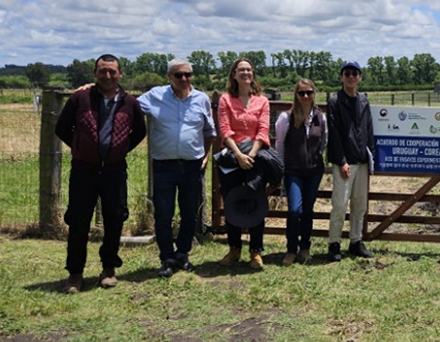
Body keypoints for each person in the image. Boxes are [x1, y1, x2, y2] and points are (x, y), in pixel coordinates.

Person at [55, 54, 146, 293]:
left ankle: (108, 269)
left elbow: (139, 132)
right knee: (78, 221)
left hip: (115, 171)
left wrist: (120, 149)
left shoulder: (130, 103)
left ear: (120, 74)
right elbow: (62, 128)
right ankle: (75, 273)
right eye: (103, 71)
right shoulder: (80, 98)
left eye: (112, 71)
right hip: (84, 170)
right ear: (95, 73)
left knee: (115, 220)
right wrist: (81, 147)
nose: (108, 76)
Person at [138, 58, 217, 278]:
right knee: (163, 213)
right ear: (169, 77)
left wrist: (206, 156)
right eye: (178, 75)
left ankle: (182, 254)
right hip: (164, 165)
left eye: (188, 75)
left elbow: (210, 132)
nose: (184, 79)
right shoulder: (155, 96)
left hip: (192, 166)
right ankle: (166, 257)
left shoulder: (201, 99)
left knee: (190, 213)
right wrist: (92, 88)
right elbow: (127, 104)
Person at [216, 58, 270, 270]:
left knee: (257, 203)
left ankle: (256, 251)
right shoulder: (226, 100)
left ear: (253, 74)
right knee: (232, 202)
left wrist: (252, 155)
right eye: (241, 70)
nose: (245, 73)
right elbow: (225, 129)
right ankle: (234, 249)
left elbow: (263, 129)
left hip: (255, 159)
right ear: (234, 75)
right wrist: (239, 155)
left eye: (248, 69)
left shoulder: (262, 101)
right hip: (231, 159)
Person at [326, 61, 375, 262]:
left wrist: (370, 157)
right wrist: (341, 161)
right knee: (339, 204)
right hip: (344, 163)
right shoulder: (335, 101)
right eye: (347, 73)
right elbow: (334, 133)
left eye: (355, 73)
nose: (351, 76)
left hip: (362, 161)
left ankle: (356, 241)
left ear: (360, 77)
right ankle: (334, 243)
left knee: (360, 205)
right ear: (341, 77)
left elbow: (369, 130)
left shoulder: (364, 101)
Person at [275, 78, 327, 266]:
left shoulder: (321, 118)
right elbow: (279, 144)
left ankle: (305, 248)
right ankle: (291, 249)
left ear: (314, 94)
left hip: (314, 171)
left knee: (307, 210)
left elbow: (324, 142)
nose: (306, 96)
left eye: (309, 92)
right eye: (301, 93)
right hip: (293, 171)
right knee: (294, 209)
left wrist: (313, 157)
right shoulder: (285, 118)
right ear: (295, 95)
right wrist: (281, 169)